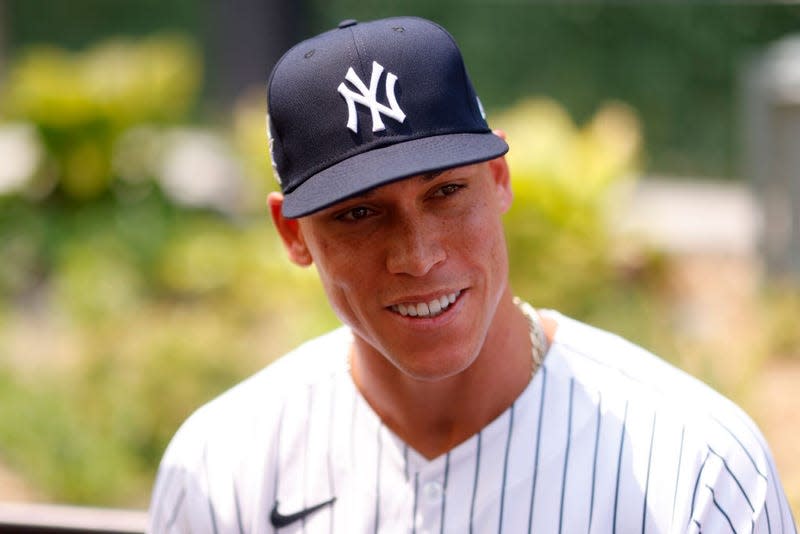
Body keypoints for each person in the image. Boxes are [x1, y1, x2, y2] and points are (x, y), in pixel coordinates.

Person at [148, 16, 796, 533]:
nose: (418, 255)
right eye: (360, 213)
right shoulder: (222, 463)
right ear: (293, 234)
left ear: (500, 179)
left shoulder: (696, 465)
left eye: (446, 192)